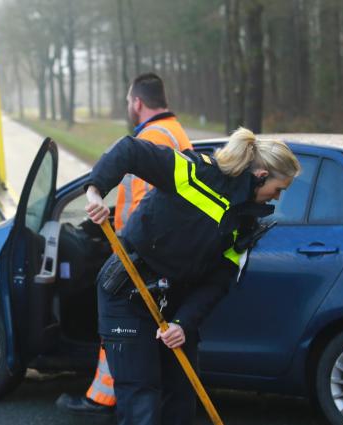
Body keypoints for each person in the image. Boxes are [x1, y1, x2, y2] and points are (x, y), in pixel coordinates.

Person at [85, 127, 300, 425]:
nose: (276, 197)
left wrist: (183, 323)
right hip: (128, 289)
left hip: (176, 302)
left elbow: (219, 281)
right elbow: (130, 151)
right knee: (142, 400)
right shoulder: (197, 172)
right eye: (278, 189)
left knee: (181, 397)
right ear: (261, 175)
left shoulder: (246, 223)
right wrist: (96, 190)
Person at [56, 73, 193, 416]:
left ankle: (104, 397)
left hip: (141, 256)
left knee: (121, 332)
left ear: (137, 102)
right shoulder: (175, 132)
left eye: (129, 101)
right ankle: (113, 395)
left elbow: (153, 206)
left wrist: (129, 244)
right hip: (158, 255)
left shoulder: (152, 137)